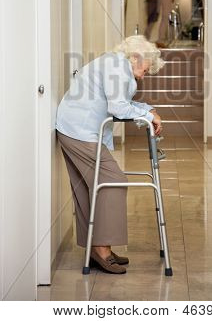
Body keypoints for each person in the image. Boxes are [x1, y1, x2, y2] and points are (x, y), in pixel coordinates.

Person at [56, 35, 164, 274]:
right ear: (135, 57)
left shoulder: (116, 64)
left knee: (89, 187)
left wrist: (148, 110)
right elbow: (119, 107)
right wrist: (149, 115)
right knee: (113, 180)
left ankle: (95, 249)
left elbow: (121, 102)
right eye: (145, 70)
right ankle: (102, 249)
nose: (143, 76)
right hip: (79, 130)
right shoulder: (116, 67)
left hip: (74, 128)